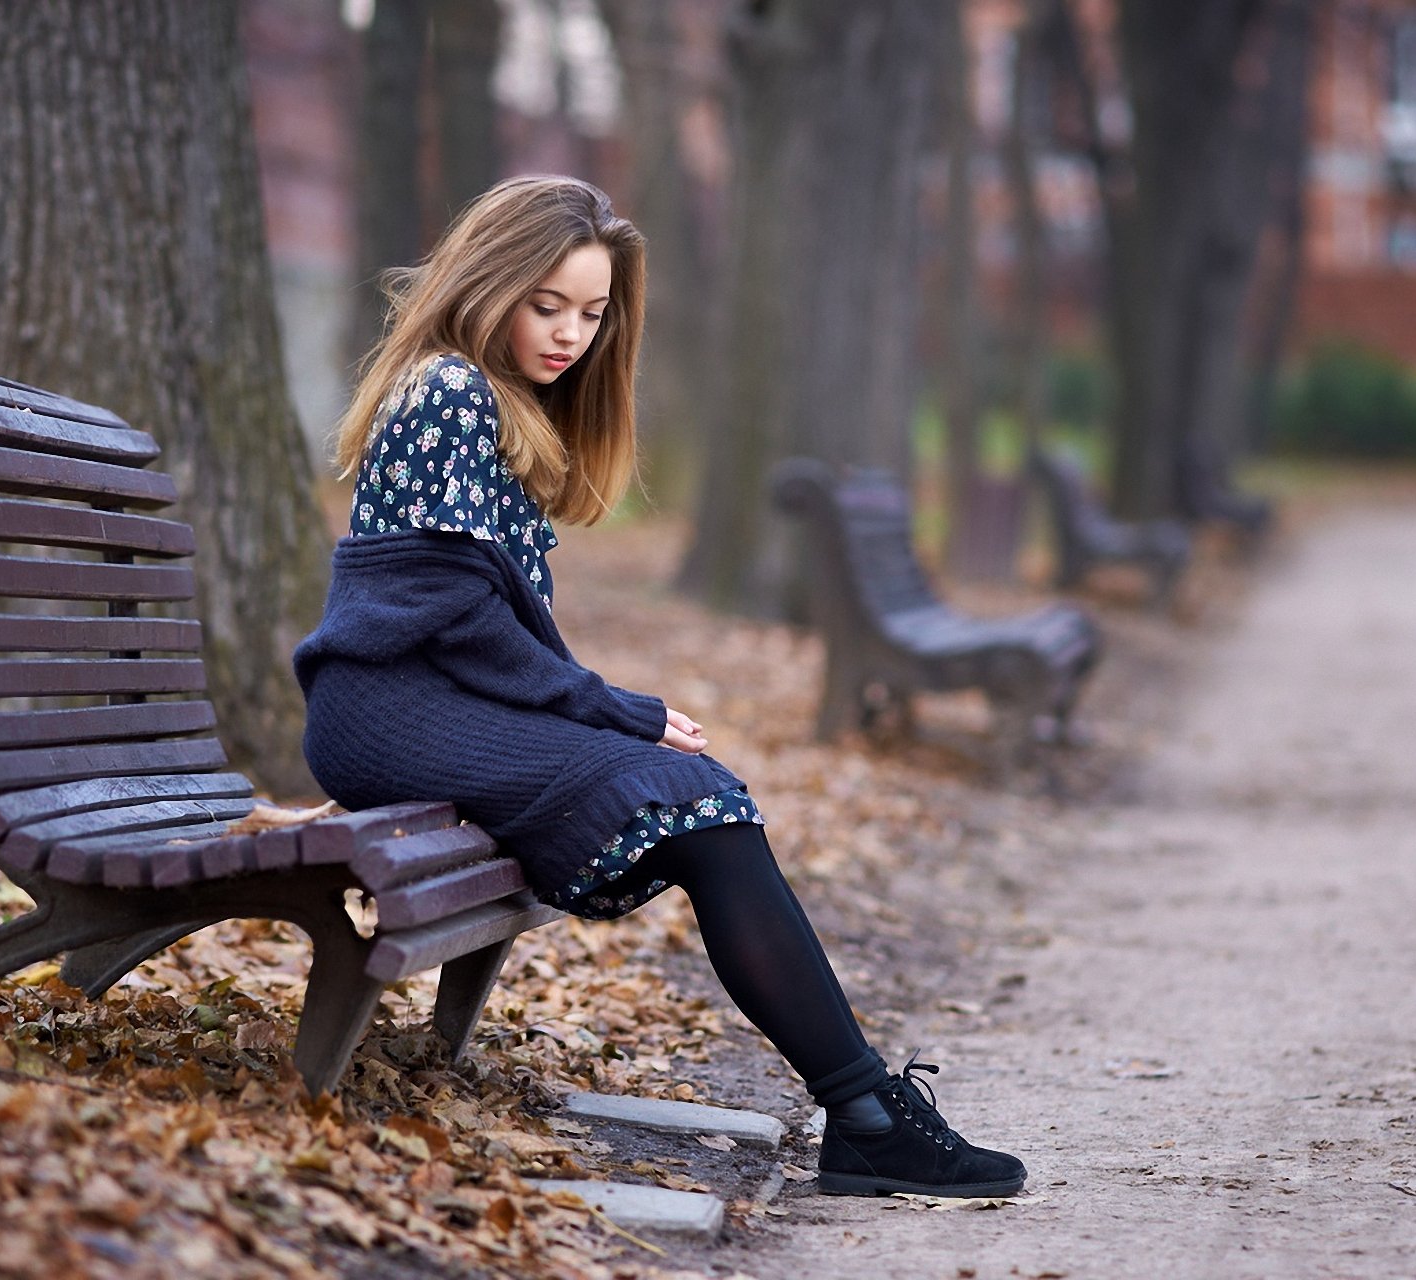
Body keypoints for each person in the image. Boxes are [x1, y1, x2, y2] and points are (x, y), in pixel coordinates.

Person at [293, 175, 1026, 1199]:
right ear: (485, 281)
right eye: (545, 304)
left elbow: (480, 626)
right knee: (695, 801)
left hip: (435, 699)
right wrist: (610, 705)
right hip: (392, 706)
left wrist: (600, 707)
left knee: (705, 800)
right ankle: (867, 1116)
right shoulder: (448, 390)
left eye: (592, 314)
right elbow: (458, 620)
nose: (568, 335)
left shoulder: (495, 403)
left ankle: (863, 1111)